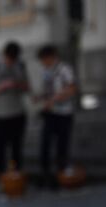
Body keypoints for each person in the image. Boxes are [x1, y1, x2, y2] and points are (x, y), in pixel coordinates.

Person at [0, 42, 29, 174]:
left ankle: (16, 176)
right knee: (0, 149)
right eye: (9, 58)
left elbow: (27, 87)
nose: (10, 61)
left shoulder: (20, 65)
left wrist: (16, 84)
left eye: (13, 59)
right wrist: (3, 86)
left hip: (17, 113)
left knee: (17, 148)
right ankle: (2, 178)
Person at [37, 45, 77, 187]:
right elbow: (47, 90)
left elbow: (72, 88)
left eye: (44, 59)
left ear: (51, 57)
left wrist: (54, 99)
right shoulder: (45, 71)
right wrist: (41, 98)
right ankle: (46, 175)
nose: (43, 62)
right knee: (45, 145)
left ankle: (61, 176)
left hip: (64, 113)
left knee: (62, 146)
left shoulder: (64, 69)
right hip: (50, 113)